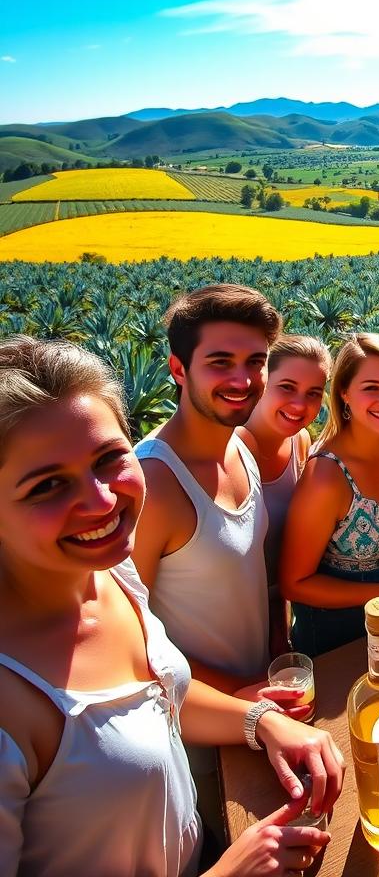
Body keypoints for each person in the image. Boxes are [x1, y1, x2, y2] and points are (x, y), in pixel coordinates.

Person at [0, 336, 342, 877]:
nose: (102, 501)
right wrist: (229, 872)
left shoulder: (112, 572)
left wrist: (263, 722)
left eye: (109, 458)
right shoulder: (12, 702)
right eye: (47, 486)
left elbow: (164, 695)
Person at [132, 285, 281, 694]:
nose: (243, 379)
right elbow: (130, 636)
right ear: (178, 370)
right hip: (196, 726)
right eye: (220, 362)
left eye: (256, 361)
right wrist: (238, 696)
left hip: (260, 696)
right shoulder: (153, 483)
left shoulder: (240, 444)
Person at [281, 334, 379, 656]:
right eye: (371, 388)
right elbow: (294, 583)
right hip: (335, 630)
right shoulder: (325, 477)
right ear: (344, 393)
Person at [239, 334, 331, 655]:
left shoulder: (300, 441)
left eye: (313, 393)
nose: (299, 404)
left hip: (280, 617)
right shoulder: (235, 448)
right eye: (287, 387)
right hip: (237, 625)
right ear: (262, 381)